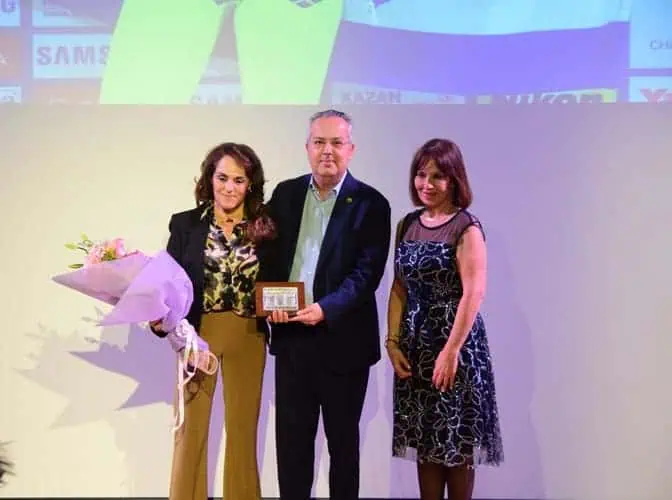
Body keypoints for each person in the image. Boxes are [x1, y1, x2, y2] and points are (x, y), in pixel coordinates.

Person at [266, 109, 391, 500]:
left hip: (344, 344)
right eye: (319, 142)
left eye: (337, 143)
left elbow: (366, 276)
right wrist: (270, 301)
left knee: (343, 448)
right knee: (292, 448)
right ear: (307, 148)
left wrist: (324, 309)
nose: (327, 151)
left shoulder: (371, 204)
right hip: (292, 341)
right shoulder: (285, 195)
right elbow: (268, 258)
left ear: (351, 149)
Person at [150, 142, 276, 500]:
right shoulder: (185, 224)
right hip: (198, 335)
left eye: (239, 180)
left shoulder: (265, 227)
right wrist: (158, 319)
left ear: (250, 185)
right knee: (190, 431)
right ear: (209, 179)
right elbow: (168, 285)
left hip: (249, 335)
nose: (229, 188)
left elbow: (278, 281)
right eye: (222, 178)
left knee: (243, 433)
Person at [386, 138, 504, 500]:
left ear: (454, 180)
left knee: (456, 442)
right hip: (417, 346)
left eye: (437, 176)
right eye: (421, 175)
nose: (427, 184)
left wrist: (451, 352)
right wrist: (392, 342)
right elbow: (399, 288)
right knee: (426, 443)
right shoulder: (406, 224)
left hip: (457, 348)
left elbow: (473, 293)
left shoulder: (467, 227)